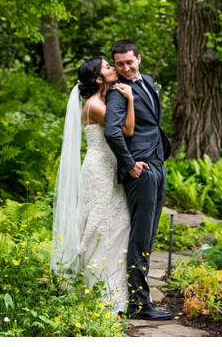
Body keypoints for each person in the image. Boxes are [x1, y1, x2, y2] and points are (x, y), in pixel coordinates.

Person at [51, 57, 135, 314]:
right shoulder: (96, 105)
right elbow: (127, 130)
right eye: (108, 67)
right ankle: (100, 294)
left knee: (114, 224)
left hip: (104, 166)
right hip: (99, 169)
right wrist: (130, 99)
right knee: (100, 226)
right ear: (98, 79)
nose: (113, 69)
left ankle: (111, 291)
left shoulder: (100, 101)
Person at [104, 39, 173, 320]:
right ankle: (139, 303)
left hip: (157, 162)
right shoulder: (119, 93)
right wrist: (130, 164)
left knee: (150, 232)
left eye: (129, 62)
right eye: (119, 64)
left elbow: (151, 123)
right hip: (141, 171)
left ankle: (142, 298)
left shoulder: (149, 82)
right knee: (140, 237)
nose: (125, 68)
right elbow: (112, 132)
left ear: (139, 59)